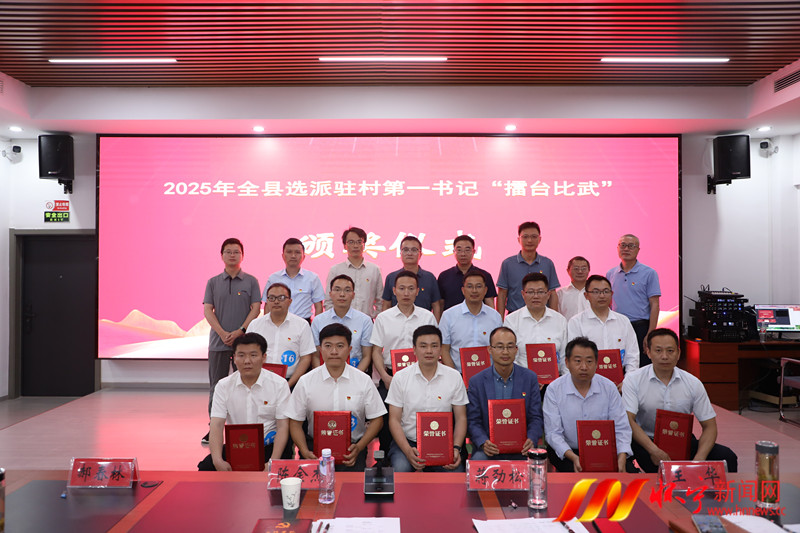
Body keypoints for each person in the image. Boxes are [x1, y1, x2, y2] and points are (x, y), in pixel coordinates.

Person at [622, 328, 738, 473]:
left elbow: (709, 426)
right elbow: (629, 420)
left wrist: (699, 459)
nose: (665, 356)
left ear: (678, 353)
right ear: (648, 352)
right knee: (657, 469)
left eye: (670, 351)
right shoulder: (633, 380)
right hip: (646, 442)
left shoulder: (692, 383)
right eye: (658, 351)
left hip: (681, 440)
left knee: (727, 456)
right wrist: (654, 450)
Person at [285, 324, 386, 471]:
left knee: (353, 485)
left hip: (352, 449)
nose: (334, 351)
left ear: (349, 350)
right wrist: (304, 451)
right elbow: (295, 422)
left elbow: (377, 420)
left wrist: (359, 447)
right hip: (314, 450)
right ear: (320, 349)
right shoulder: (306, 381)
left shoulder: (363, 380)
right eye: (328, 346)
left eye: (340, 346)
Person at [198, 333, 290, 471]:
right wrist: (217, 460)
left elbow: (283, 426)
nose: (247, 361)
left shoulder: (279, 384)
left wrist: (273, 462)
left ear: (264, 357)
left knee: (285, 468)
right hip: (238, 446)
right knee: (206, 467)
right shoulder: (223, 386)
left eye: (253, 355)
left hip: (269, 447)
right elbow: (216, 425)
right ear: (234, 358)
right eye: (241, 355)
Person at [543, 337, 634, 473]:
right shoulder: (554, 389)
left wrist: (621, 456)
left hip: (603, 449)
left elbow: (621, 427)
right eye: (578, 361)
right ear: (567, 362)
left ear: (597, 363)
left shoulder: (609, 387)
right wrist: (573, 457)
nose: (584, 367)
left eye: (589, 361)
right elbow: (553, 433)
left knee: (628, 474)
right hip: (569, 452)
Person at [385, 325, 469, 472]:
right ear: (414, 349)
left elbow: (461, 418)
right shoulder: (400, 377)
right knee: (401, 468)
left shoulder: (454, 377)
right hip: (409, 442)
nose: (429, 351)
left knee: (454, 475)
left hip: (443, 442)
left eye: (434, 346)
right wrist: (407, 451)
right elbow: (394, 420)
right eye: (423, 346)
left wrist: (455, 448)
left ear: (441, 349)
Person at [202, 237, 261, 443]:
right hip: (218, 343)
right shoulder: (213, 282)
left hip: (243, 344)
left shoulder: (251, 281)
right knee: (216, 386)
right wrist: (221, 333)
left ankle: (244, 425)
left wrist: (240, 331)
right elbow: (208, 310)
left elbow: (256, 308)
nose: (232, 255)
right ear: (222, 255)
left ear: (242, 255)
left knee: (246, 384)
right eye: (228, 251)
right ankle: (214, 429)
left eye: (236, 252)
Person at [466, 327, 543, 460]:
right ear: (490, 350)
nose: (505, 352)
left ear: (516, 350)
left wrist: (531, 439)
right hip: (489, 448)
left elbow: (536, 417)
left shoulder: (529, 378)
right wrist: (483, 442)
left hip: (522, 448)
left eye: (510, 347)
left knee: (534, 464)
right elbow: (473, 421)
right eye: (500, 347)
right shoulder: (477, 381)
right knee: (478, 460)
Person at [567, 275, 639, 377]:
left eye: (606, 291)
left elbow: (633, 355)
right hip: (588, 378)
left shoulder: (623, 321)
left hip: (621, 380)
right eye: (596, 292)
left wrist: (627, 381)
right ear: (586, 295)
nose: (602, 296)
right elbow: (575, 356)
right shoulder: (576, 322)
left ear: (611, 294)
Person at [247, 283, 316, 388]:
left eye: (281, 298)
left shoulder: (302, 325)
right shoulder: (255, 325)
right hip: (259, 381)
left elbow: (306, 358)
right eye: (272, 298)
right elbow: (247, 353)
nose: (276, 301)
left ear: (290, 301)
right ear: (267, 301)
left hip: (290, 382)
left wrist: (288, 385)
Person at [606, 234, 661, 366]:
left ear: (638, 250)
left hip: (640, 327)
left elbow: (655, 304)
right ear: (618, 248)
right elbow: (608, 303)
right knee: (617, 365)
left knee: (641, 365)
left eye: (631, 246)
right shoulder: (610, 274)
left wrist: (651, 333)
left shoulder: (649, 273)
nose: (626, 249)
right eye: (623, 245)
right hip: (617, 327)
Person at [503, 273, 568, 376]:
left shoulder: (560, 320)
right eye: (531, 292)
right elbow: (509, 356)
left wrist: (563, 382)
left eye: (541, 292)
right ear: (523, 294)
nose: (536, 296)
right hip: (522, 379)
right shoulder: (511, 320)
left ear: (548, 294)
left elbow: (565, 357)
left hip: (554, 380)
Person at [439, 270, 503, 372]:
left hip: (489, 375)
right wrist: (454, 376)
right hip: (458, 374)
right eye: (469, 286)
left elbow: (500, 348)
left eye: (478, 286)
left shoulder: (495, 317)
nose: (474, 291)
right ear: (463, 290)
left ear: (485, 290)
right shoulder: (448, 315)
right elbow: (444, 349)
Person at [311, 274, 373, 372]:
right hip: (325, 374)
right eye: (337, 290)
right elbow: (315, 356)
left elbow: (367, 356)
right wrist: (322, 375)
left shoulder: (365, 320)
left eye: (347, 290)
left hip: (356, 373)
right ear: (330, 294)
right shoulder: (318, 320)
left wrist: (356, 377)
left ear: (353, 295)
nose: (342, 294)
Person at [497, 221, 560, 317]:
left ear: (539, 239)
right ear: (519, 239)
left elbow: (552, 294)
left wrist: (554, 318)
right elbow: (502, 294)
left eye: (534, 237)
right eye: (525, 237)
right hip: (515, 317)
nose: (529, 240)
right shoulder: (508, 264)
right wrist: (500, 320)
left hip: (542, 317)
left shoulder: (547, 263)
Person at [324, 227, 383, 318]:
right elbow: (329, 300)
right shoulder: (335, 270)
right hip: (341, 321)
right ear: (344, 245)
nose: (355, 246)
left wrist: (375, 317)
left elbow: (380, 301)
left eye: (359, 242)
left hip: (367, 320)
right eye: (351, 242)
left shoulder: (374, 269)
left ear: (364, 245)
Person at [381, 235, 443, 321]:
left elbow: (436, 305)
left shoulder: (430, 277)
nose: (409, 253)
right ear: (400, 253)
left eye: (414, 250)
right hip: (396, 323)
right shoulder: (391, 277)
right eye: (405, 250)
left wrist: (435, 326)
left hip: (424, 323)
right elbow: (386, 304)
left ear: (420, 254)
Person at [264, 238, 325, 322]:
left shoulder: (313, 278)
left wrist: (316, 326)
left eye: (297, 252)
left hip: (304, 323)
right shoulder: (273, 278)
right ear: (283, 256)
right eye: (289, 252)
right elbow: (267, 306)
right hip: (278, 322)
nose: (293, 256)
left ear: (303, 256)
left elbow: (318, 306)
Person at [437, 234, 497, 310]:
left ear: (473, 252)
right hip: (452, 317)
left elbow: (490, 304)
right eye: (459, 250)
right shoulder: (444, 276)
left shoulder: (485, 275)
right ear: (454, 252)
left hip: (478, 317)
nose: (463, 254)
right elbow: (441, 304)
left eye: (467, 250)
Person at [556, 256, 591, 321]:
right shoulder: (560, 294)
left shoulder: (594, 293)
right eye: (576, 268)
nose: (580, 271)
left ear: (589, 270)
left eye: (583, 268)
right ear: (568, 271)